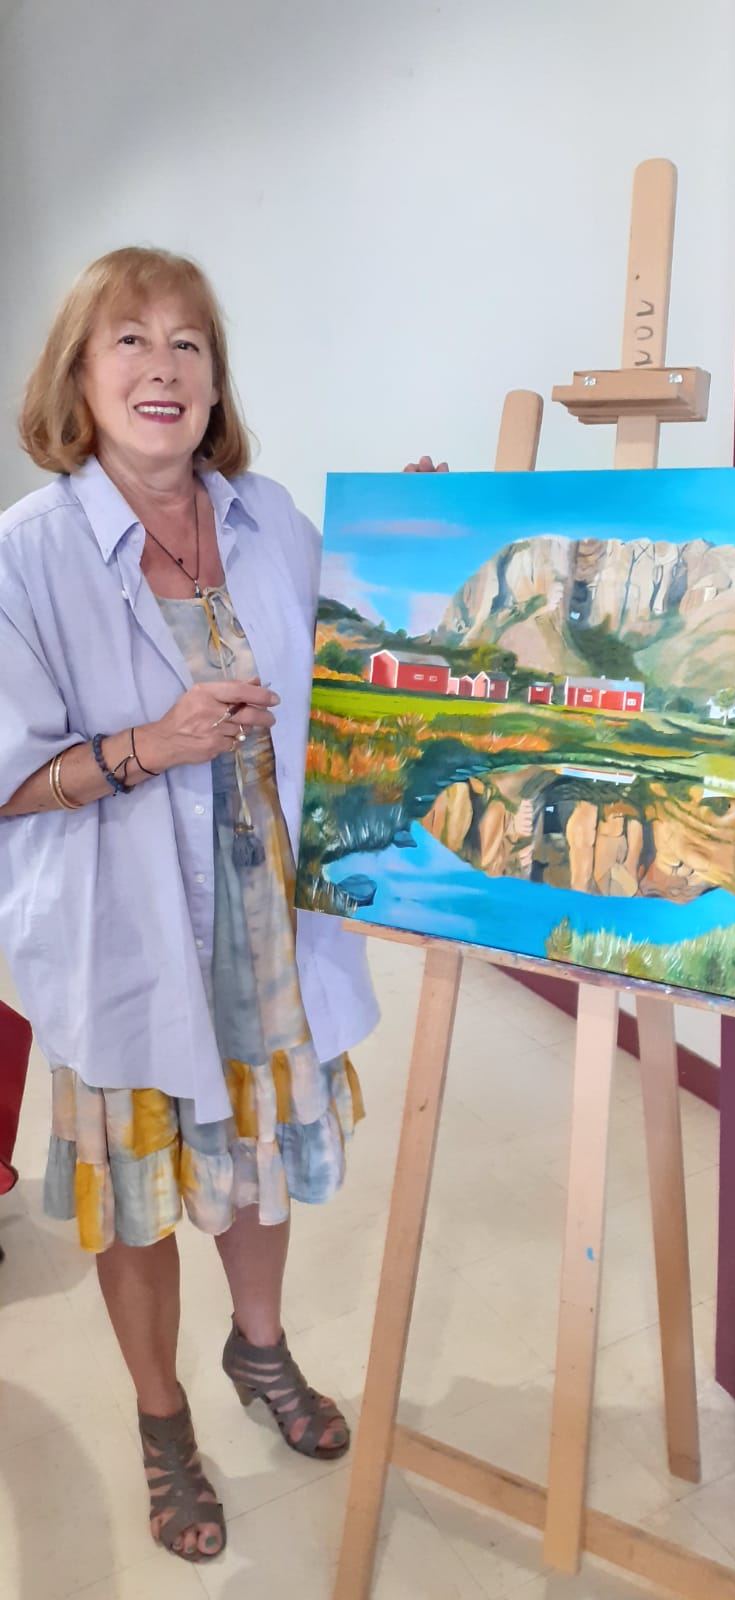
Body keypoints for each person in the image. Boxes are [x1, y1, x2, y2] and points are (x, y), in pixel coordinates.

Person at [0, 246, 423, 1562]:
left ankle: (259, 1350)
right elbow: (9, 781)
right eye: (129, 340)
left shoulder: (269, 519)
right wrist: (149, 746)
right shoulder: (28, 552)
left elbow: (356, 662)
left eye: (189, 342)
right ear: (78, 374)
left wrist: (413, 554)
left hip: (270, 924)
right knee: (138, 1192)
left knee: (255, 1154)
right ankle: (163, 1420)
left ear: (216, 379)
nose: (163, 367)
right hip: (125, 935)